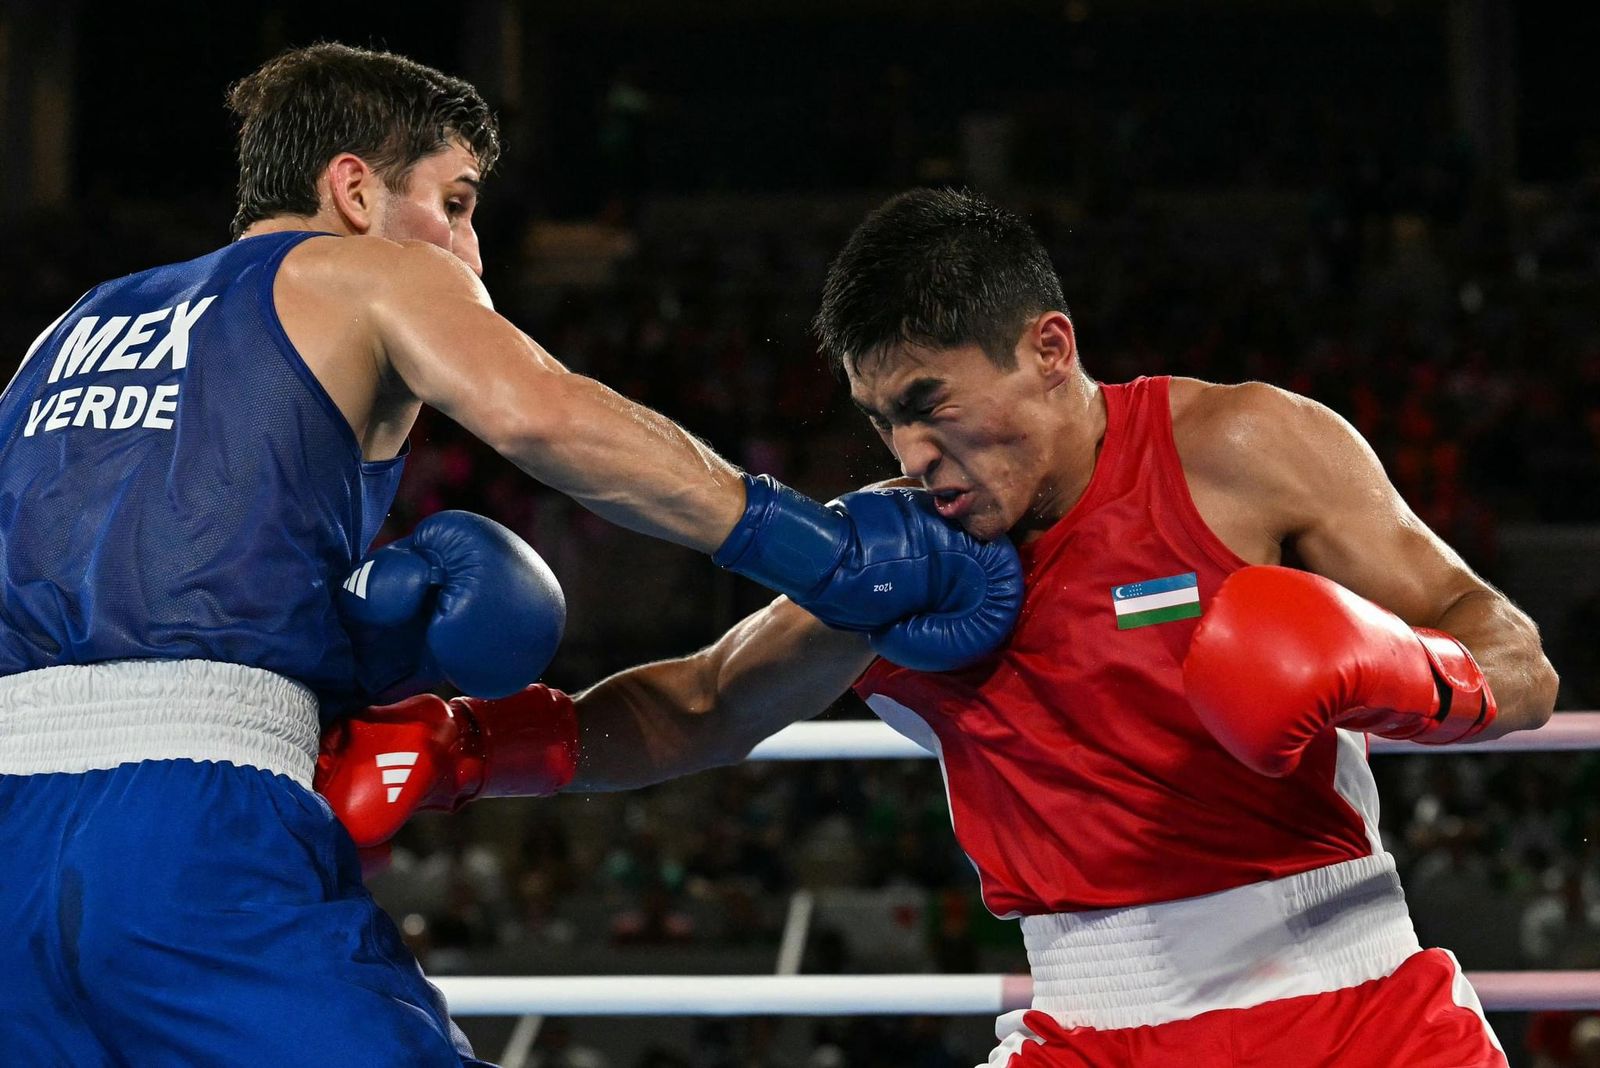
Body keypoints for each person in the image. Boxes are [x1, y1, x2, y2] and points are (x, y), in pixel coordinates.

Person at [329, 188, 1561, 1066]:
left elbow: (1512, 654)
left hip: (1355, 997)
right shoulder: (902, 554)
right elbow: (703, 703)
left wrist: (1406, 673)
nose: (917, 456)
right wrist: (470, 752)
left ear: (1048, 350)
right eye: (882, 423)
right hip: (1090, 1021)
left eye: (933, 407)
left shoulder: (1241, 449)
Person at [0, 46, 1021, 1065]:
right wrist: (821, 551)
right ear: (353, 188)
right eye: (454, 201)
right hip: (189, 826)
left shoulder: (65, 331)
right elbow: (543, 414)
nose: (470, 251)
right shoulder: (368, 272)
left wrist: (336, 667)